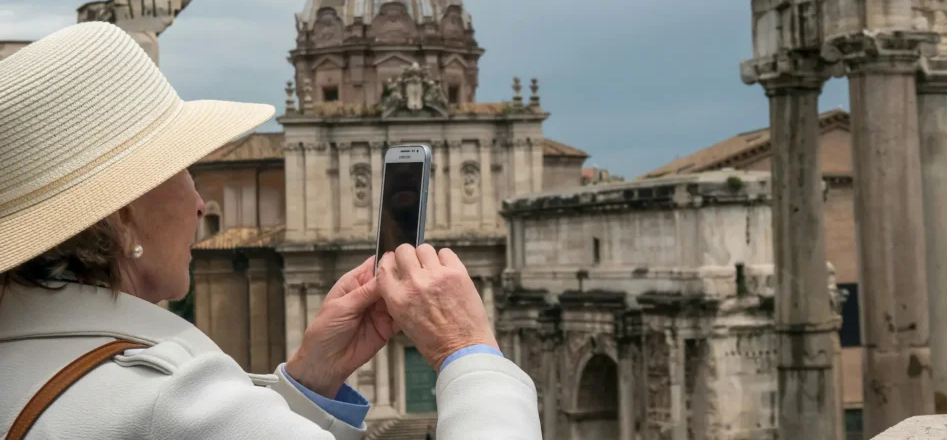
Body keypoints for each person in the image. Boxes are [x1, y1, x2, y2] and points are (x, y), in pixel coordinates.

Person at [0, 22, 542, 439]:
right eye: (185, 171)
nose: (201, 202)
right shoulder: (165, 399)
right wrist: (467, 354)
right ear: (121, 216)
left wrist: (308, 383)